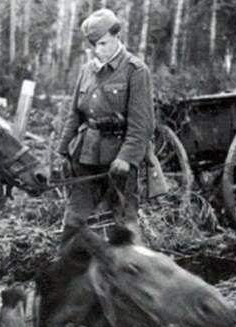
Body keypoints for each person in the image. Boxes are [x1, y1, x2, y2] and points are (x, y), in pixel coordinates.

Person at [57, 8, 155, 244]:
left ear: (116, 36)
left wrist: (127, 157)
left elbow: (142, 124)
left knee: (125, 222)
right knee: (73, 220)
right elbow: (75, 114)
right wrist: (62, 151)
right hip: (86, 156)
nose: (98, 50)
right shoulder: (86, 70)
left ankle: (133, 273)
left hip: (118, 160)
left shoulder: (136, 70)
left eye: (103, 43)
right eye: (94, 45)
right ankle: (66, 273)